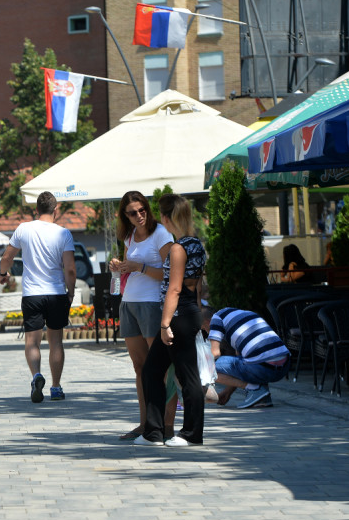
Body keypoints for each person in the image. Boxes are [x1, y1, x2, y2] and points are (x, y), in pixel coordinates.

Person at [136, 194, 207, 447]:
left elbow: (174, 289)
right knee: (153, 370)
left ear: (166, 217)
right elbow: (197, 286)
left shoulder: (178, 248)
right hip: (189, 313)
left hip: (178, 317)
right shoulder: (196, 244)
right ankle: (153, 432)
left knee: (187, 376)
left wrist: (165, 324)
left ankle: (191, 434)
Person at [0, 191, 76, 404]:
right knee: (56, 342)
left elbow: (7, 256)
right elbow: (69, 268)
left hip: (32, 294)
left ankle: (36, 376)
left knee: (32, 341)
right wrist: (71, 291)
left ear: (36, 209)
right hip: (56, 293)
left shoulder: (24, 228)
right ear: (56, 209)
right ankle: (56, 387)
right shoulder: (63, 234)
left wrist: (3, 274)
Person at [108, 191, 174, 441]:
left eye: (142, 210)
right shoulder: (129, 236)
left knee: (161, 369)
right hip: (129, 303)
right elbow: (128, 269)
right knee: (140, 368)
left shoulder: (161, 234)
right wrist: (119, 267)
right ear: (125, 216)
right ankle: (145, 423)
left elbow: (171, 273)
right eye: (133, 213)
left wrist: (140, 267)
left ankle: (166, 425)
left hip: (152, 304)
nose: (139, 216)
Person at [208, 306, 290, 408]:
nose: (208, 334)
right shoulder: (245, 315)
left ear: (207, 323)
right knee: (250, 359)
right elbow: (242, 366)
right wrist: (227, 392)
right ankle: (262, 397)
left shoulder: (216, 319)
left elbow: (214, 353)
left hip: (262, 367)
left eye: (204, 329)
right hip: (284, 367)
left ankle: (255, 389)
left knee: (204, 366)